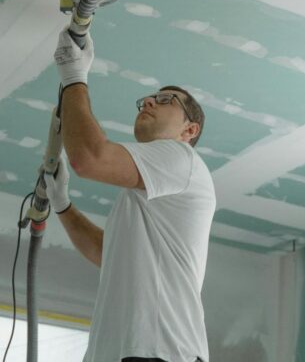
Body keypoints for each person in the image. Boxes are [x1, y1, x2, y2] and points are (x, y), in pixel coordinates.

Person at [44, 27, 216, 362]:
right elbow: (106, 251)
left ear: (189, 130)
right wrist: (62, 205)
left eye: (166, 100)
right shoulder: (144, 198)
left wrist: (74, 76)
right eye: (149, 98)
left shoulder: (182, 160)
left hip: (162, 351)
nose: (150, 100)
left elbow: (89, 158)